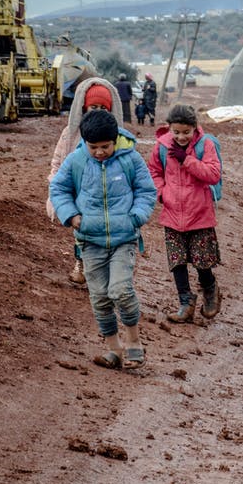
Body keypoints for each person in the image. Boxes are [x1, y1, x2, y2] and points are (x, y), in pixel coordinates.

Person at [49, 110, 158, 370]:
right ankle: (114, 350)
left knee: (120, 290)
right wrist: (71, 215)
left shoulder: (130, 158)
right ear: (85, 143)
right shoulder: (76, 160)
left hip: (124, 239)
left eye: (105, 146)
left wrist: (136, 217)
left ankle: (134, 343)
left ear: (115, 140)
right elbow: (59, 188)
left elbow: (146, 190)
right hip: (90, 241)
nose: (99, 152)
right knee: (99, 297)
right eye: (93, 147)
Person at [46, 78, 133, 284]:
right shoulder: (70, 134)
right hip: (79, 192)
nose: (98, 111)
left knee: (105, 232)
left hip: (108, 193)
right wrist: (56, 189)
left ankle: (105, 269)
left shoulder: (118, 138)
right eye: (93, 107)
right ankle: (81, 263)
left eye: (103, 107)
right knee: (81, 231)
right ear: (84, 107)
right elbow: (58, 161)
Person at [148, 103, 223, 323]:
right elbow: (154, 171)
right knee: (177, 261)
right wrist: (162, 193)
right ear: (169, 128)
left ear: (195, 128)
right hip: (172, 213)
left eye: (186, 132)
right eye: (176, 132)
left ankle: (210, 291)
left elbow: (213, 174)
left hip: (199, 214)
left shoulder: (205, 145)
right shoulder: (161, 147)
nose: (181, 137)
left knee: (202, 261)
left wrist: (187, 160)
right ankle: (185, 302)